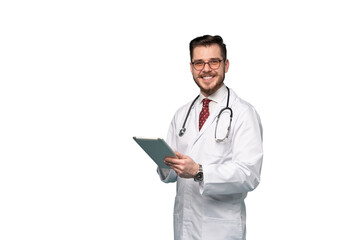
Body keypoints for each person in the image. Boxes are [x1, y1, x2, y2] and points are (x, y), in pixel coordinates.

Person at [157, 35, 263, 240]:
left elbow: (249, 174)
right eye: (199, 62)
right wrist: (165, 162)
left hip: (221, 230)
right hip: (184, 227)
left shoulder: (243, 112)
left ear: (226, 65)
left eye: (214, 61)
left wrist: (199, 171)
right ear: (191, 67)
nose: (206, 69)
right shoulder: (182, 114)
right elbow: (170, 175)